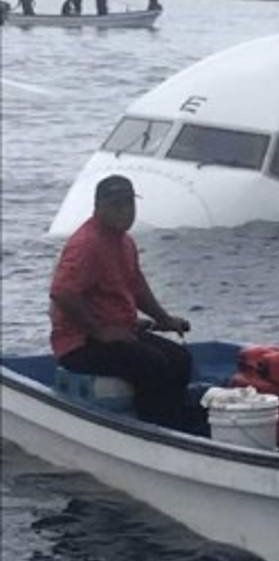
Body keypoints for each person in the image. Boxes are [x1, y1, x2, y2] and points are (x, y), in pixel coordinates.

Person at [49, 175, 195, 429]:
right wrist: (100, 332)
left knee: (180, 358)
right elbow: (63, 293)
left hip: (119, 333)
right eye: (116, 205)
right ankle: (154, 429)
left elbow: (137, 287)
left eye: (129, 204)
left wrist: (165, 319)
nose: (124, 211)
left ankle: (177, 423)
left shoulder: (124, 242)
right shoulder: (87, 244)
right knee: (152, 364)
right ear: (98, 207)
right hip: (80, 344)